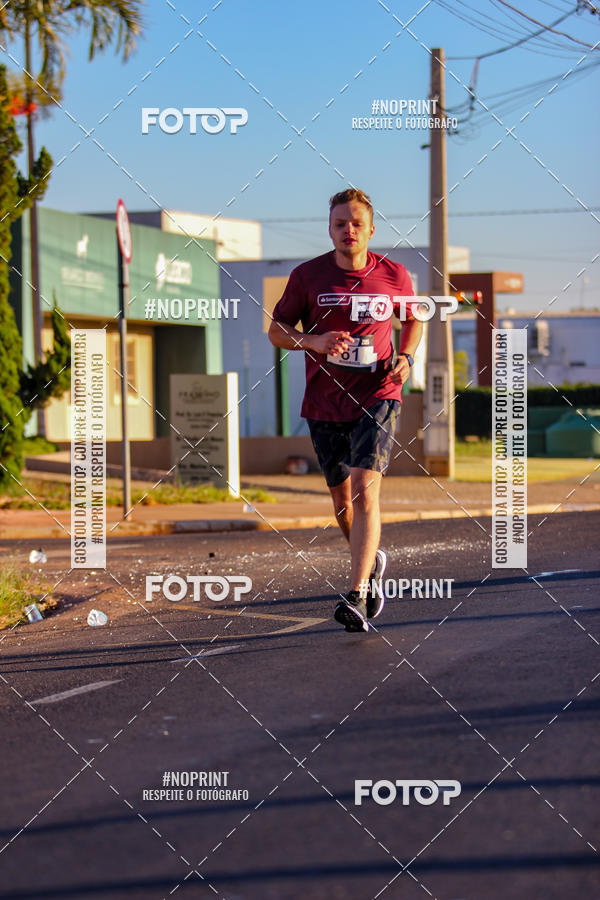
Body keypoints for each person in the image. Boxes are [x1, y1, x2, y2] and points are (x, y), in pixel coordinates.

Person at [268, 188, 423, 632]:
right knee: (341, 502)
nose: (348, 230)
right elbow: (277, 331)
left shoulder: (394, 275)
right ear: (330, 228)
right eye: (340, 223)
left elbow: (414, 317)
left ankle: (356, 594)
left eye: (356, 223)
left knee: (363, 487)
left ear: (371, 229)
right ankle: (371, 561)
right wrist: (313, 341)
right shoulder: (307, 276)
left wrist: (407, 357)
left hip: (379, 393)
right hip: (323, 401)